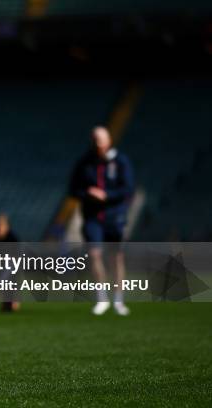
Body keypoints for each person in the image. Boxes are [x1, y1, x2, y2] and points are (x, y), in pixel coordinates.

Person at [69, 126, 134, 316]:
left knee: (116, 257)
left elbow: (127, 189)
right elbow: (73, 189)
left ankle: (119, 300)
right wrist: (88, 193)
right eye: (95, 140)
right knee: (95, 254)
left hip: (115, 216)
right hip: (92, 217)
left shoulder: (121, 161)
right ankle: (101, 298)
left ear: (108, 141)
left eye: (101, 140)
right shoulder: (84, 163)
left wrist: (107, 195)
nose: (98, 144)